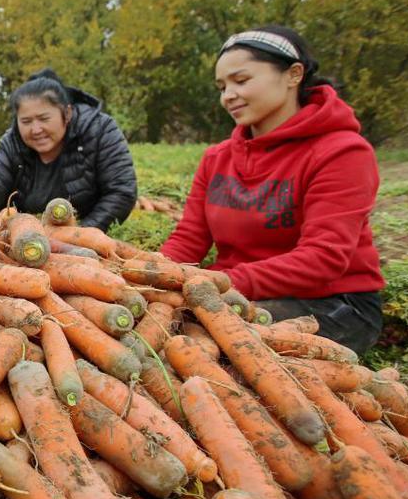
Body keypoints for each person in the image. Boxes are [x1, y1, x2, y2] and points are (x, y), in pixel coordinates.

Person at [160, 25, 384, 354]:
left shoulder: (343, 152)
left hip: (334, 305)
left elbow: (323, 258)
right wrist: (148, 274)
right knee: (163, 324)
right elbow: (190, 237)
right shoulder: (217, 158)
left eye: (241, 80)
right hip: (235, 291)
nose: (228, 96)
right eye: (222, 87)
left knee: (212, 346)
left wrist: (221, 281)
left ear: (294, 74)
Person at [0, 69, 137, 229]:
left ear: (67, 114)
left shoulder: (99, 130)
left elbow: (121, 191)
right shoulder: (12, 142)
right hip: (25, 232)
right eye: (26, 121)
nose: (36, 129)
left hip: (85, 230)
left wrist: (81, 233)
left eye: (43, 118)